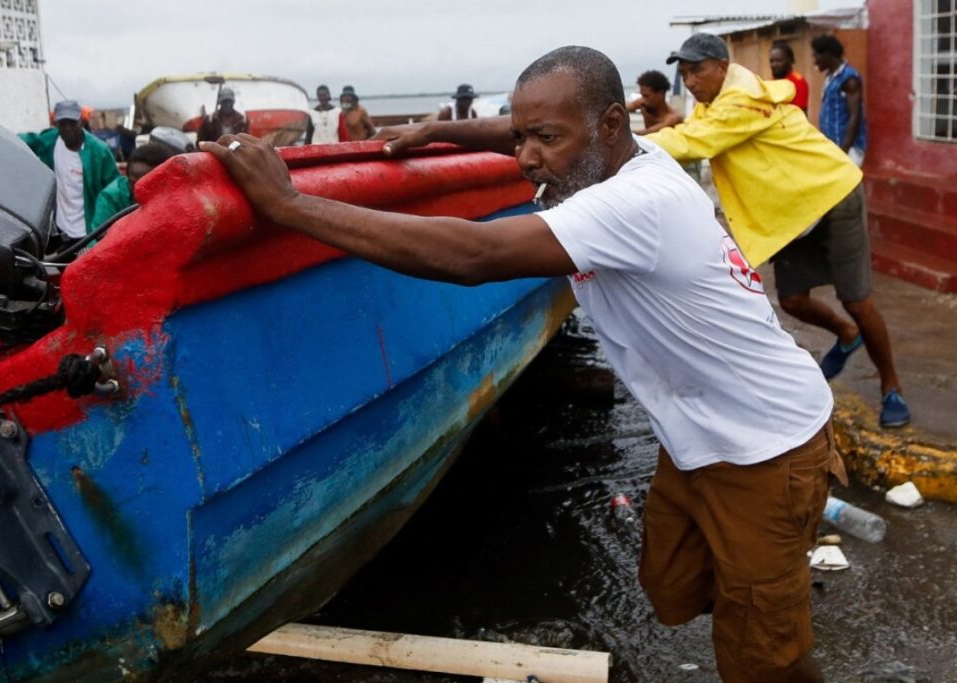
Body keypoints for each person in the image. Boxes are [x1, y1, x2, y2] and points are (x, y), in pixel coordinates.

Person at [201, 45, 844, 683]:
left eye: (546, 139)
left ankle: (769, 622)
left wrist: (289, 205)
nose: (527, 158)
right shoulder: (628, 156)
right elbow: (528, 131)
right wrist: (438, 132)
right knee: (671, 585)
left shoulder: (634, 202)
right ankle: (757, 596)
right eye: (520, 138)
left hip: (767, 446)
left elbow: (474, 255)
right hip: (698, 438)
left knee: (763, 660)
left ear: (610, 125)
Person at [647, 32, 909, 429]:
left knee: (857, 300)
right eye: (684, 74)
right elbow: (687, 132)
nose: (690, 81)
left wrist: (622, 143)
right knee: (792, 299)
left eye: (697, 70)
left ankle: (891, 387)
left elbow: (691, 143)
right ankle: (846, 334)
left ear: (723, 67)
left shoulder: (741, 100)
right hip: (793, 210)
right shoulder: (710, 107)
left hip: (832, 193)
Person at [20, 100, 120, 250]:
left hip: (90, 230)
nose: (67, 128)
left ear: (81, 122)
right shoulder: (51, 141)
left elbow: (114, 190)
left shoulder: (99, 151)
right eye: (62, 123)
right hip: (62, 228)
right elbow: (25, 140)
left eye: (72, 123)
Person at [90, 143, 176, 233]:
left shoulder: (176, 194)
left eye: (148, 184)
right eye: (134, 182)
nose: (139, 189)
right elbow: (99, 236)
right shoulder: (111, 198)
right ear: (127, 177)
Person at [812, 34, 868, 167]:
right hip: (833, 146)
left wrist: (845, 150)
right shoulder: (830, 77)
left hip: (847, 148)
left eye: (816, 56)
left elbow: (855, 115)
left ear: (827, 54)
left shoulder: (849, 79)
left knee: (847, 180)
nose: (815, 61)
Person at [769, 41, 809, 114]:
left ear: (790, 60)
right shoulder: (772, 83)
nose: (774, 65)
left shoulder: (798, 82)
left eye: (779, 61)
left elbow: (799, 113)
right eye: (772, 61)